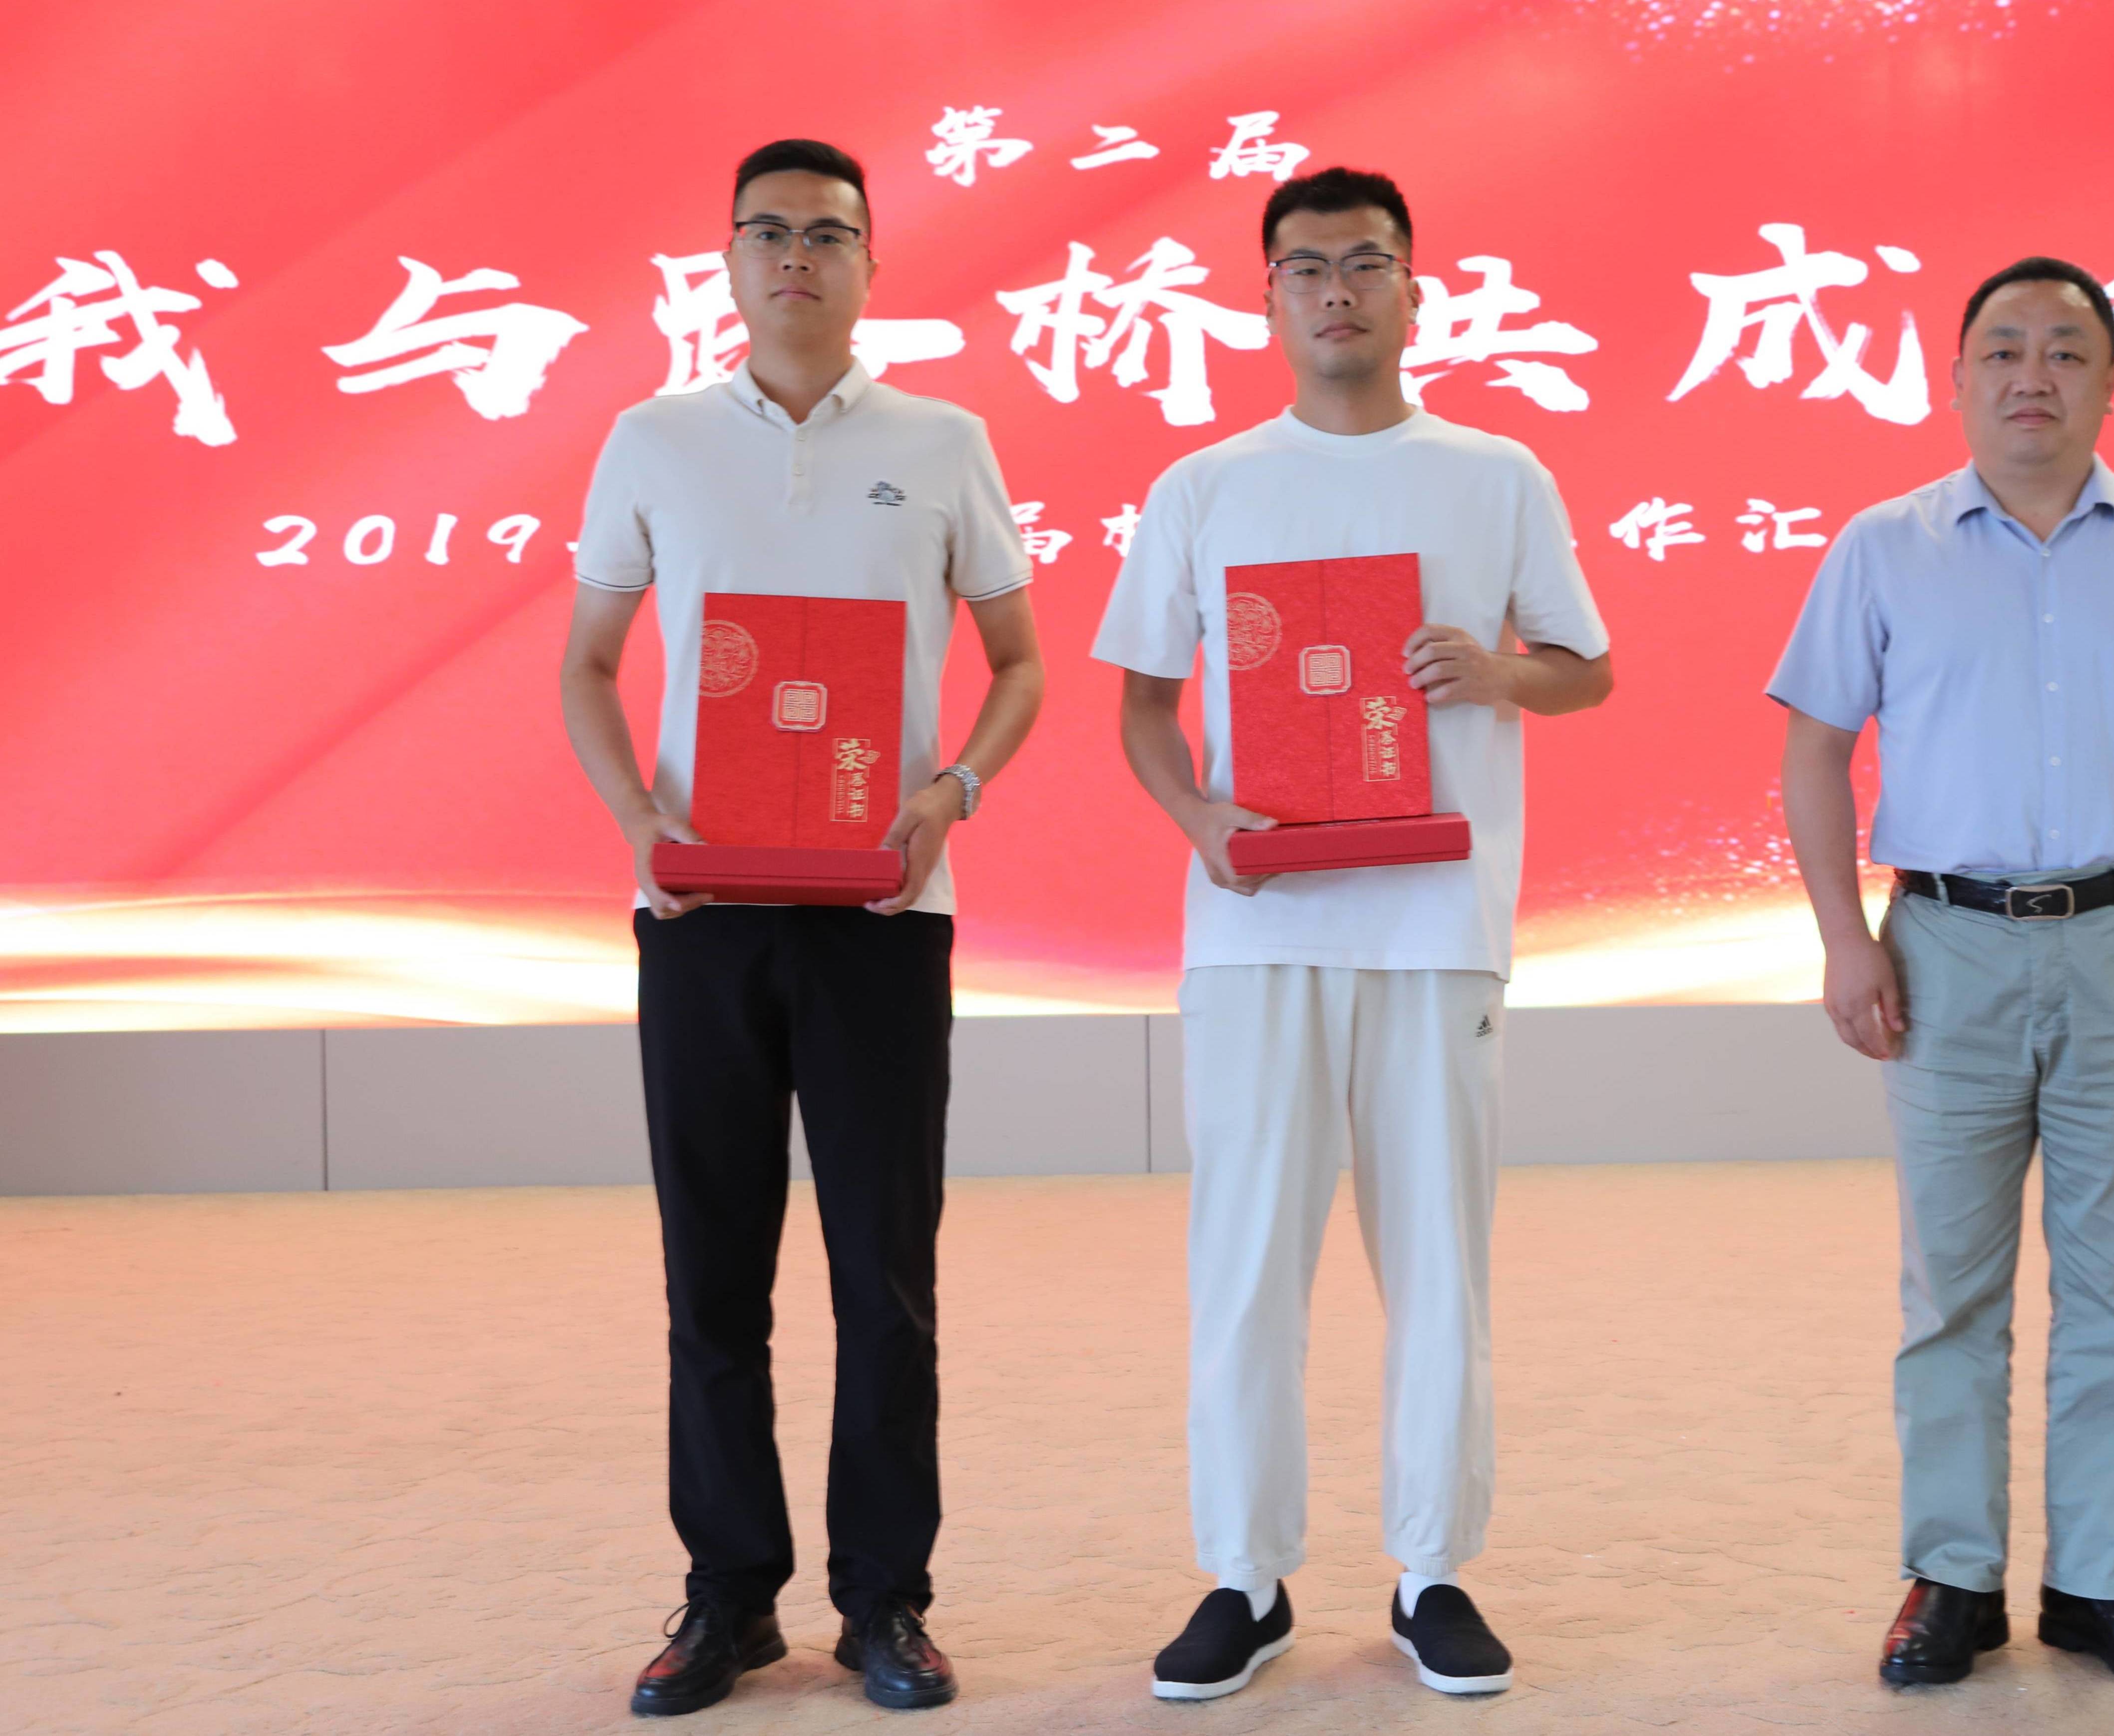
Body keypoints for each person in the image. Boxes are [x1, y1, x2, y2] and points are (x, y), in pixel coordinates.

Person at [1092, 166, 1613, 1701]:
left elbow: (1585, 667)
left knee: (1440, 1260)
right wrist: (1202, 822)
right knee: (1245, 1261)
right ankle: (1244, 1580)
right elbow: (1142, 705)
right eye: (1308, 266)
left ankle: (1433, 1570)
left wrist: (1497, 674)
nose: (1338, 290)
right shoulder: (1204, 487)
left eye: (1367, 263)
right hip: (1257, 929)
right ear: (1267, 295)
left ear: (1413, 289)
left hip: (1438, 923)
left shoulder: (1496, 474)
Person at [558, 138, 1045, 1716]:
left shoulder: (944, 440)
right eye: (766, 232)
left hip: (883, 918)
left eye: (827, 234)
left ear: (869, 264)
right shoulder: (653, 439)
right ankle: (729, 1598)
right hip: (701, 916)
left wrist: (951, 790)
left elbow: (1020, 661)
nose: (796, 258)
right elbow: (587, 664)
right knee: (713, 1277)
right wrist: (640, 822)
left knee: (883, 1279)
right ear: (726, 261)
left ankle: (885, 1603)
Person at [1771, 256, 2114, 1692]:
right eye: (2002, 350)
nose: (2032, 376)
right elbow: (1815, 747)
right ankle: (1952, 1579)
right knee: (1952, 1290)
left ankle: (2101, 1585)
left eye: (2067, 352)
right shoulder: (1883, 547)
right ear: (1955, 381)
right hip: (1945, 947)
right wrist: (1843, 939)